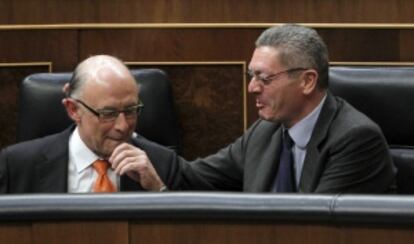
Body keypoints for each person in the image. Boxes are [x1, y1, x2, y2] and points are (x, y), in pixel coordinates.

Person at [137, 24, 396, 193]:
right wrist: (128, 137)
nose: (252, 88)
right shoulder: (266, 131)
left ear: (307, 81)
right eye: (251, 76)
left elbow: (313, 229)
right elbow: (193, 176)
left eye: (264, 78)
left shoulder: (356, 139)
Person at [0, 55, 172, 193]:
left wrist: (157, 189)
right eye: (108, 113)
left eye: (130, 110)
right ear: (73, 110)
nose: (123, 126)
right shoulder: (17, 166)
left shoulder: (161, 163)